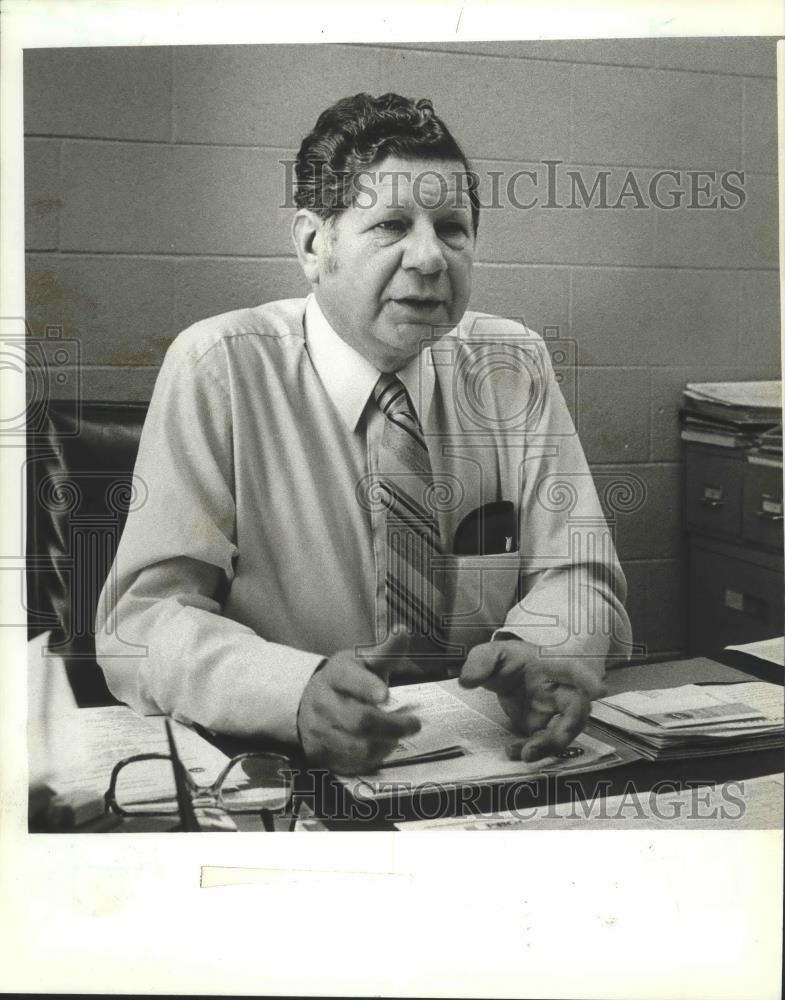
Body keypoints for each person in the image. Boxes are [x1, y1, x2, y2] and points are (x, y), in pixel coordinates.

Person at [95, 92, 632, 776]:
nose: (431, 257)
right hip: (290, 766)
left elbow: (578, 570)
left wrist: (545, 650)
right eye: (391, 225)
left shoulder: (511, 363)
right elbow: (142, 621)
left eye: (452, 227)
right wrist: (292, 693)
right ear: (314, 245)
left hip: (490, 752)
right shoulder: (219, 365)